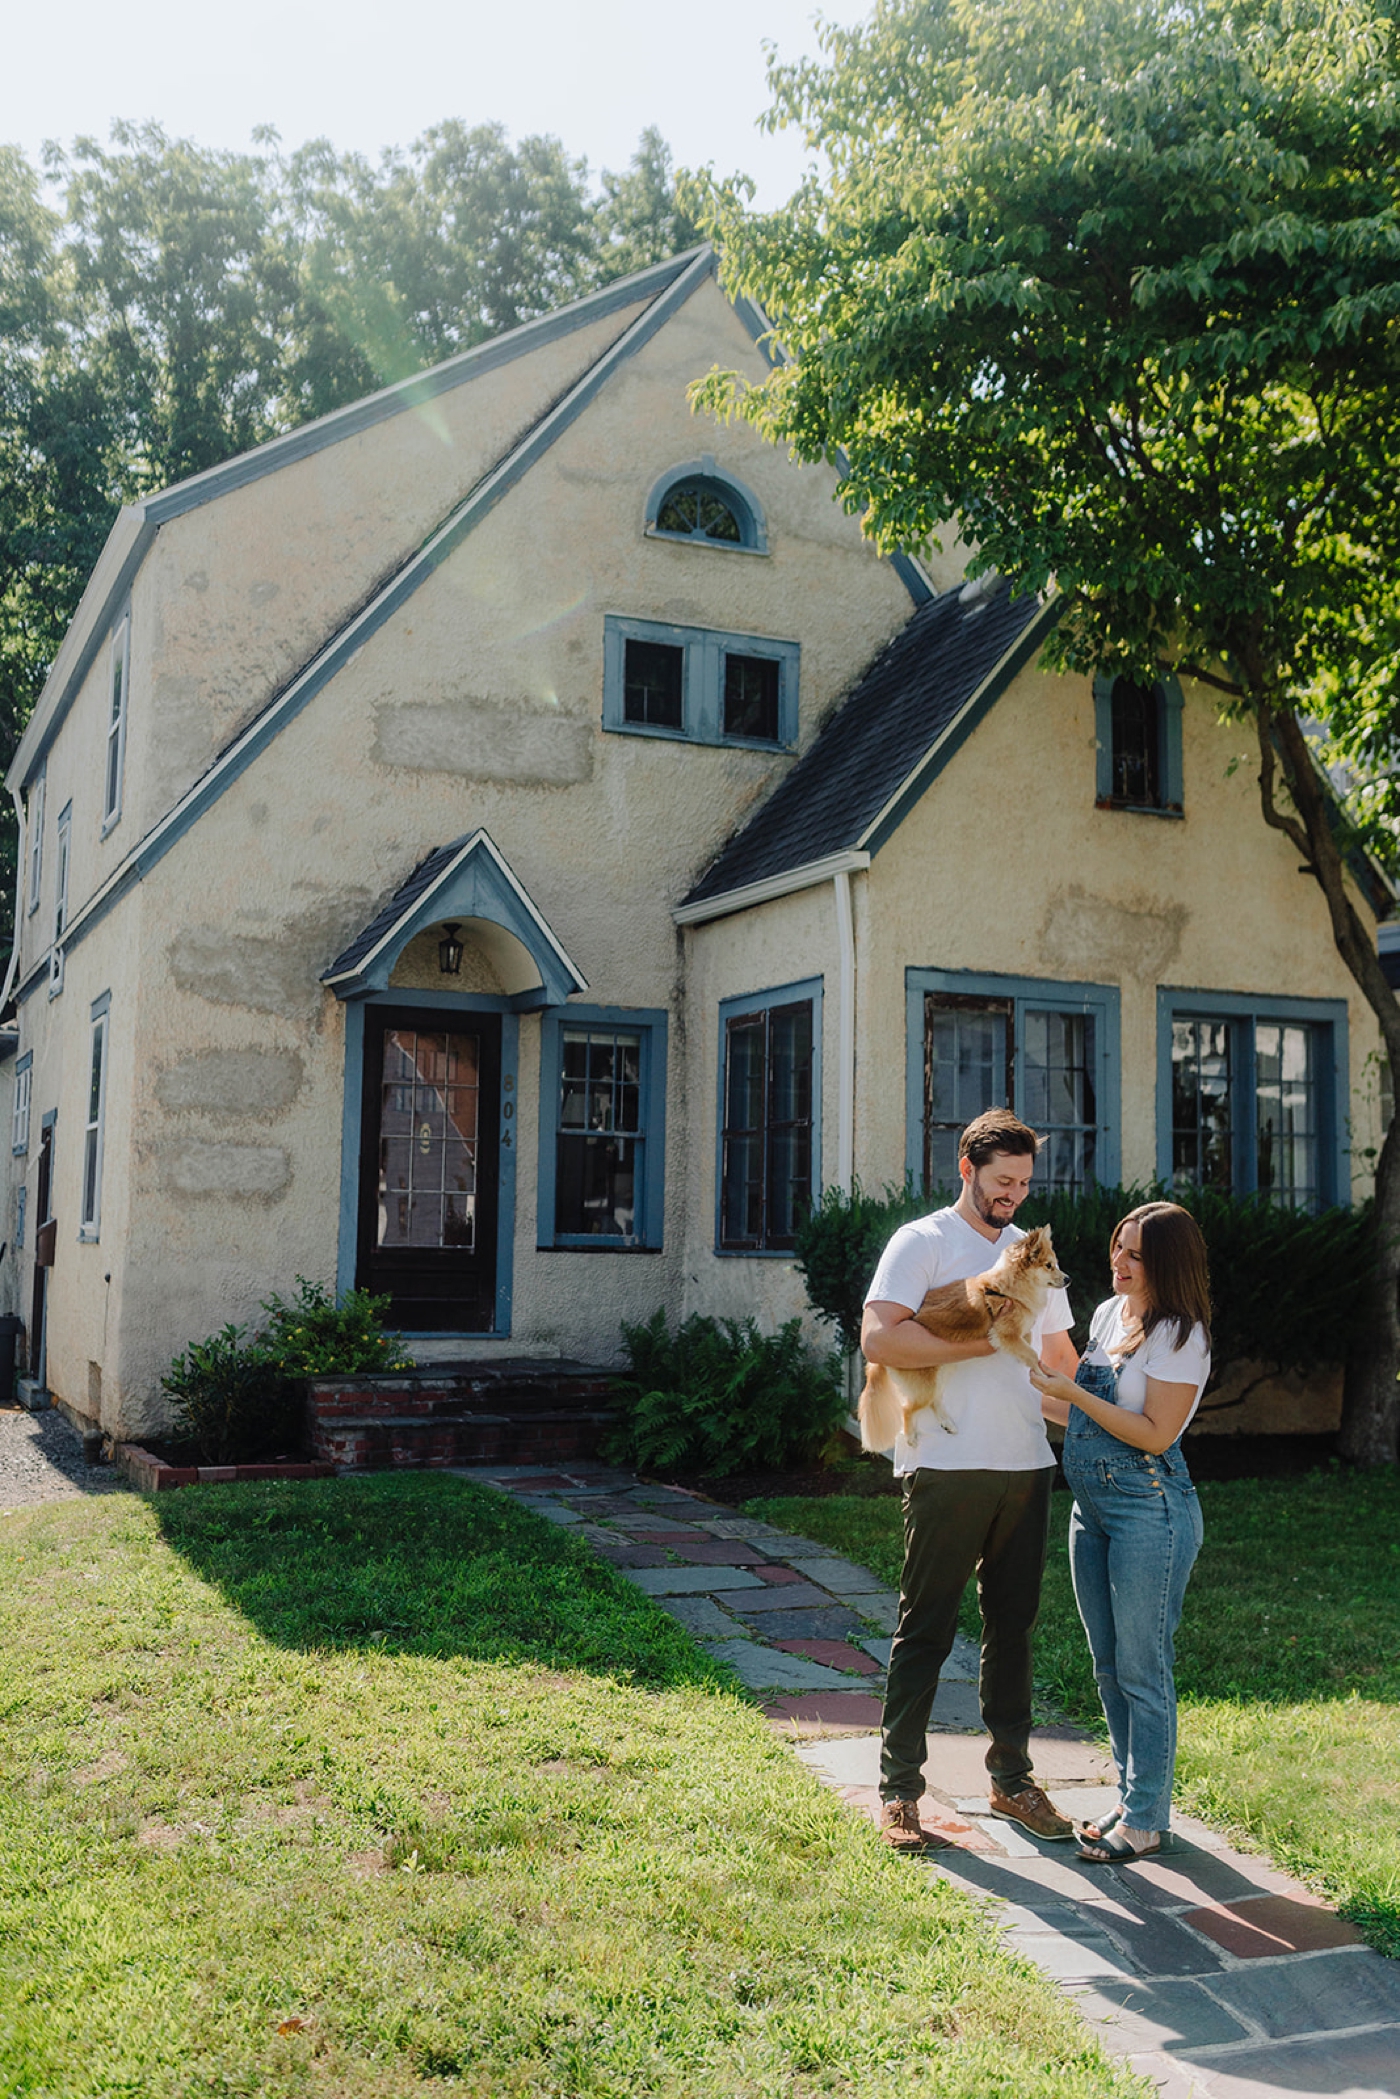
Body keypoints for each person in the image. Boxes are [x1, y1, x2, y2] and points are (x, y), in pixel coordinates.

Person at [863, 1108, 1080, 1852]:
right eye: (1001, 1181)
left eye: (1023, 1181)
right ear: (966, 1169)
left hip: (1026, 1464)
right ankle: (898, 1792)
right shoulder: (920, 1241)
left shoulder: (1033, 1253)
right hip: (945, 1465)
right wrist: (985, 1343)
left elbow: (1060, 1362)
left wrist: (1107, 1417)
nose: (1013, 1195)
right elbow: (881, 1335)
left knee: (1013, 1629)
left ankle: (1011, 1779)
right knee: (925, 1626)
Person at [1029, 1201, 1210, 1863]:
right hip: (1094, 1510)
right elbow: (1075, 1412)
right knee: (1108, 1668)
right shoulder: (1109, 1315)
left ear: (1166, 1262)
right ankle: (1133, 1798)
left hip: (1149, 1510)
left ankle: (1146, 1819)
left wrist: (1070, 1393)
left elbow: (1154, 1432)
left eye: (1135, 1253)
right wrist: (1019, 1382)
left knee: (1143, 1667)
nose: (1119, 1262)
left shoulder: (1181, 1335)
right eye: (1117, 1247)